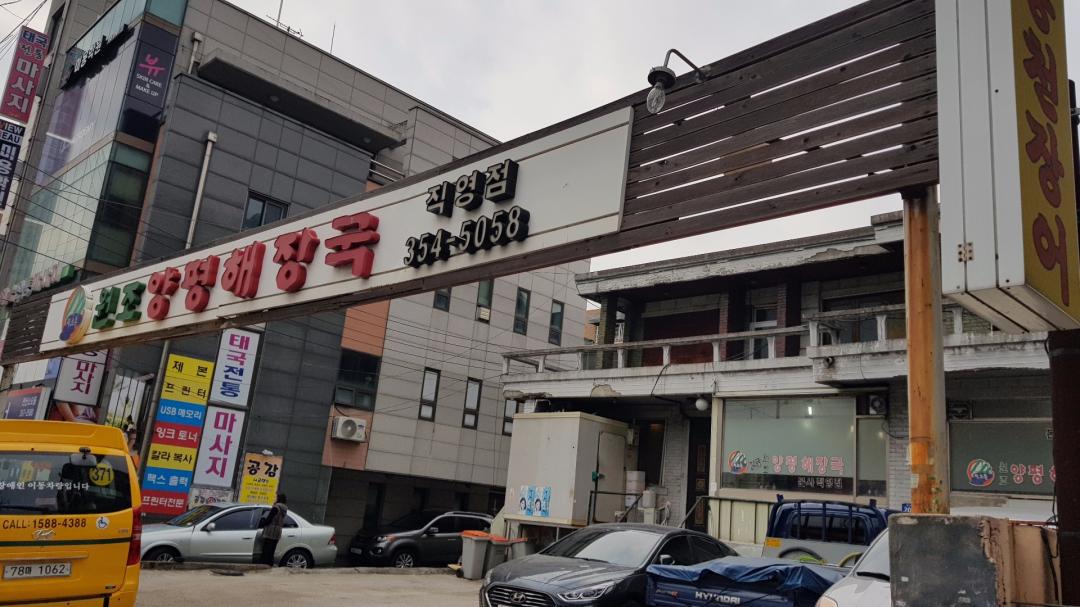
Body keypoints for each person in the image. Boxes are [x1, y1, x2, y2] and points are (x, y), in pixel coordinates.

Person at [257, 493, 288, 566]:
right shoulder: (284, 508)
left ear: (279, 499)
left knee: (266, 548)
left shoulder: (276, 507)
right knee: (272, 549)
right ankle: (270, 563)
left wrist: (261, 523)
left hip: (271, 530)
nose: (275, 499)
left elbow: (269, 519)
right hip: (278, 531)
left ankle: (264, 564)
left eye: (277, 497)